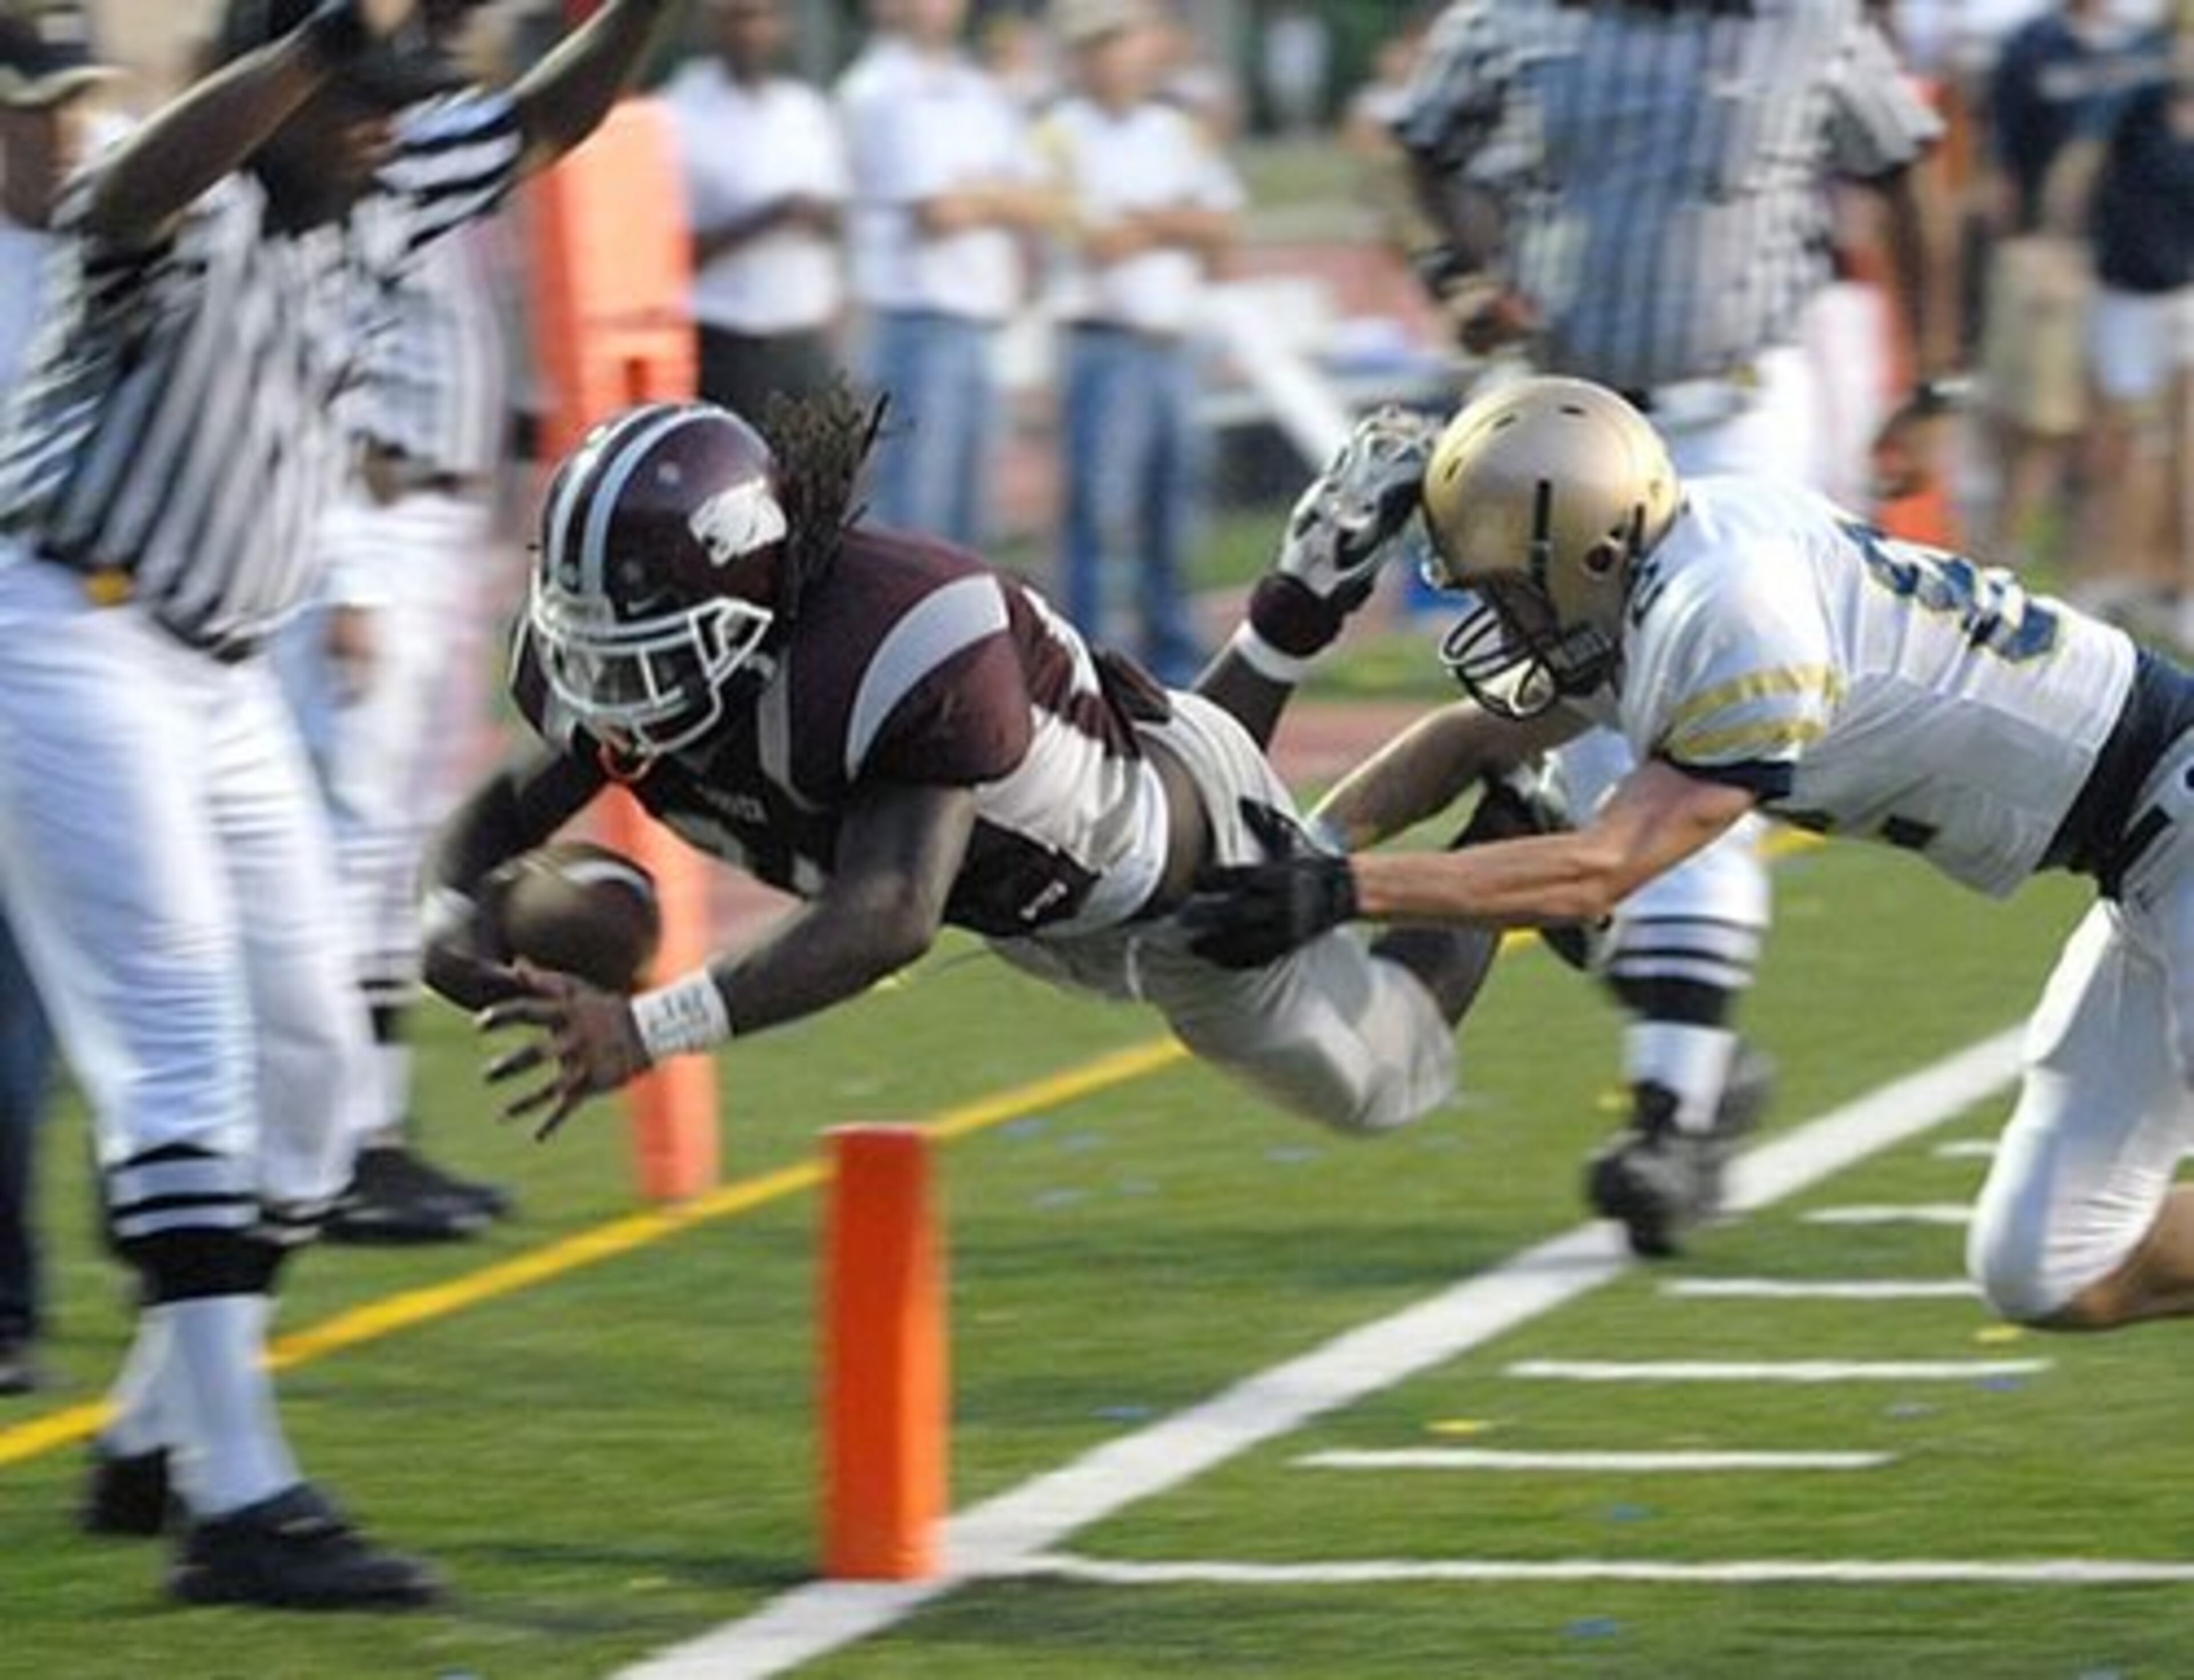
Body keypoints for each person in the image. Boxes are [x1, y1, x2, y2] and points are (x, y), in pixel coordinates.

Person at [0, 0, 686, 1610]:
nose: (391, 126)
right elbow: (127, 196)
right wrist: (316, 49)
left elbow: (544, 120)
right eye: (359, 99)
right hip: (69, 634)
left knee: (316, 1081)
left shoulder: (372, 184)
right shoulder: (181, 196)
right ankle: (238, 1499)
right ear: (284, 86)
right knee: (183, 1040)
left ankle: (156, 1427)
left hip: (225, 668)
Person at [1184, 373, 2194, 1336]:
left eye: (1507, 594)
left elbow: (1598, 870)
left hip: (2178, 811)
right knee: (2050, 1266)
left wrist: (1336, 890)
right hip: (2142, 865)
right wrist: (1308, 846)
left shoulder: (1730, 612)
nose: (1497, 623)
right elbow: (1470, 744)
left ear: (1584, 556)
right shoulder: (1649, 572)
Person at [420, 390, 1497, 1156]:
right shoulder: (608, 672)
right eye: (593, 654)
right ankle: (1309, 582)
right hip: (1037, 877)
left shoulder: (896, 643)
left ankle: (1514, 815)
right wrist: (452, 933)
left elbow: (887, 915)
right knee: (1142, 796)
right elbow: (497, 819)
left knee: (1378, 1078)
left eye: (644, 658)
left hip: (1175, 873)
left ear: (754, 604)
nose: (611, 698)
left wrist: (646, 1030)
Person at [1389, 0, 1956, 1258]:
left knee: (1694, 729)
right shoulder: (1516, 18)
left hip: (1732, 411)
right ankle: (1690, 1047)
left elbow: (1912, 170)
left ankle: (1671, 1115)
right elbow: (1419, 143)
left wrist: (1933, 382)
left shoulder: (1805, 25)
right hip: (1558, 412)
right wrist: (1455, 273)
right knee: (1599, 761)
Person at [277, 5, 525, 1245]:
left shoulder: (423, 153)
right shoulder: (313, 195)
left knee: (393, 845)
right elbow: (308, 378)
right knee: (352, 839)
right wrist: (343, 572)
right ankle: (323, 1145)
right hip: (370, 521)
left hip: (436, 516)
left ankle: (367, 1132)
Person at [0, 0, 121, 1397]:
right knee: (14, 1014)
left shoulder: (128, 230)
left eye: (72, 102)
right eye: (33, 110)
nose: (59, 133)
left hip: (127, 662)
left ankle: (161, 1239)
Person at [1039, 0, 1242, 687]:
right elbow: (1099, 241)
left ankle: (1176, 674)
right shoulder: (1059, 135)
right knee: (1100, 518)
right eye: (1097, 46)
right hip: (1106, 346)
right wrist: (1175, 221)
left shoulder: (1175, 132)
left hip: (1170, 345)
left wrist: (1151, 223)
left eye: (1120, 42)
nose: (1112, 59)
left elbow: (1221, 230)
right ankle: (1086, 667)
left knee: (1172, 517)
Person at [842, 0, 1051, 548]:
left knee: (970, 521)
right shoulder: (877, 89)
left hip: (975, 321)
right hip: (915, 323)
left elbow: (1038, 200)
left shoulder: (978, 90)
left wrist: (978, 195)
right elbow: (938, 213)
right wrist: (997, 196)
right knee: (916, 519)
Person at [661, 0, 849, 423]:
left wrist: (818, 217)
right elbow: (669, 252)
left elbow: (840, 216)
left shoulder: (803, 110)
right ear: (711, 25)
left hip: (802, 339)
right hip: (728, 339)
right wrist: (767, 220)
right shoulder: (680, 113)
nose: (752, 32)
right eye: (739, 17)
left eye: (764, 16)